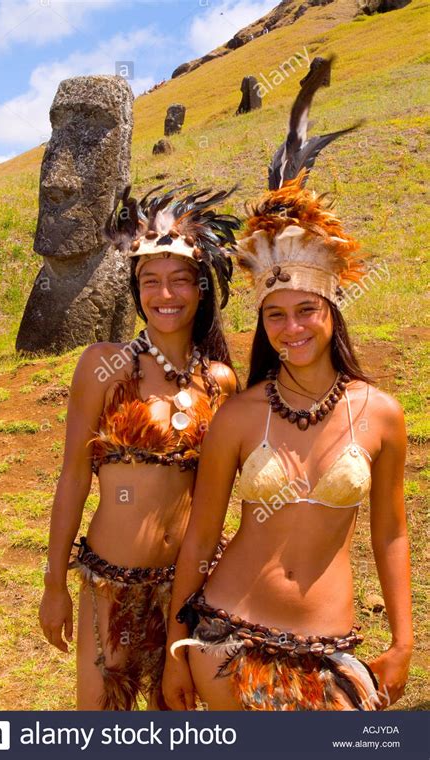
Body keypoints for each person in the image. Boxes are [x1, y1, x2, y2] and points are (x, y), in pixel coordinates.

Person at [163, 60, 412, 711]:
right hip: (225, 644)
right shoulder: (242, 416)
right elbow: (200, 537)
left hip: (330, 654)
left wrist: (406, 640)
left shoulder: (380, 414)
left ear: (332, 310)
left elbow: (389, 531)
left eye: (306, 309)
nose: (291, 326)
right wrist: (175, 650)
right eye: (275, 314)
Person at [39, 183, 240, 710]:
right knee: (103, 721)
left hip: (191, 588)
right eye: (150, 281)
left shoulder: (220, 382)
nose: (165, 294)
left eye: (178, 281)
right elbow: (73, 480)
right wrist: (54, 584)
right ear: (136, 290)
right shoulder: (103, 367)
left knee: (175, 718)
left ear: (201, 289)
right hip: (110, 585)